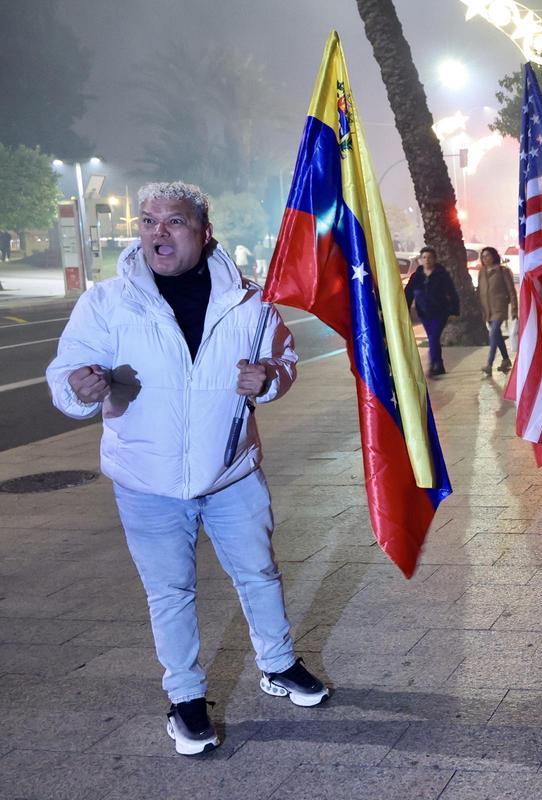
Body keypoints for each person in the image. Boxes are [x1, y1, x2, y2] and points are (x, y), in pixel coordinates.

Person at [45, 182, 327, 757]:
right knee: (169, 591)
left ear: (203, 230)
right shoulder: (107, 302)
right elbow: (67, 371)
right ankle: (186, 698)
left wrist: (269, 378)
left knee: (259, 573)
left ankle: (278, 664)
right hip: (146, 479)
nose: (158, 232)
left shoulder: (250, 300)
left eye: (173, 221)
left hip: (231, 472)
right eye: (148, 221)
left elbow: (284, 358)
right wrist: (77, 387)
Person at [404, 246, 460, 376]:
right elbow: (408, 293)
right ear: (420, 260)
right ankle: (439, 365)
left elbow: (452, 292)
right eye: (424, 257)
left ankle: (433, 364)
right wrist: (406, 310)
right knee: (432, 338)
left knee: (433, 337)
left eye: (429, 257)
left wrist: (454, 311)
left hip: (440, 312)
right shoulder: (416, 276)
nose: (427, 260)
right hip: (424, 313)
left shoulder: (442, 275)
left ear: (434, 259)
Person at [477, 245, 516, 375]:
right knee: (497, 335)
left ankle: (489, 364)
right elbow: (480, 291)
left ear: (494, 256)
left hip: (499, 307)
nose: (485, 258)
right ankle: (506, 359)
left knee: (493, 333)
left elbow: (511, 291)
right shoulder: (482, 272)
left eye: (487, 255)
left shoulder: (502, 271)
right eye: (483, 256)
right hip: (487, 309)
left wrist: (514, 309)